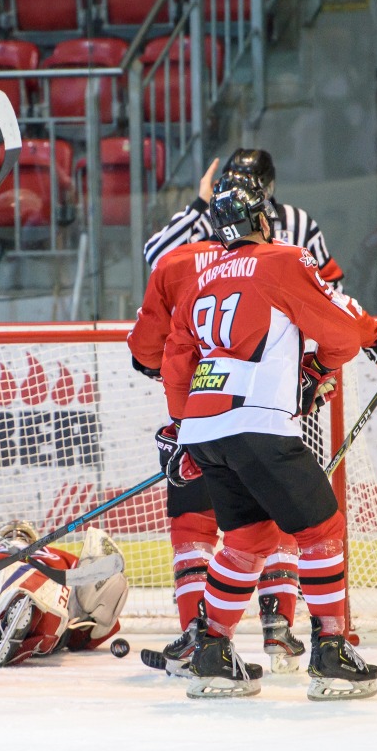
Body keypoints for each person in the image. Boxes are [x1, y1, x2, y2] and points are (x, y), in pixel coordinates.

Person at [160, 172, 377, 700]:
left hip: (206, 429)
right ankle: (331, 651)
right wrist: (352, 352)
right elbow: (338, 324)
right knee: (322, 529)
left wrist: (185, 428)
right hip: (258, 422)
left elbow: (175, 361)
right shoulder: (281, 259)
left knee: (248, 539)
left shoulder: (201, 278)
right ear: (261, 219)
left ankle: (212, 652)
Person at [128, 235, 308, 676]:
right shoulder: (279, 256)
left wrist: (159, 369)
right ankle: (278, 625)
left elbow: (146, 349)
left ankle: (198, 635)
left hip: (198, 418)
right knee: (273, 517)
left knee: (193, 525)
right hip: (262, 415)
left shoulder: (176, 262)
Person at [143, 149, 345, 290]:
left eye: (252, 191)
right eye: (237, 191)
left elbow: (331, 284)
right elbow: (156, 256)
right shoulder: (209, 221)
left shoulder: (298, 222)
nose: (245, 200)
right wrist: (200, 204)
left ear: (268, 189)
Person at [0, 521, 130, 667]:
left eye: (23, 534)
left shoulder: (55, 554)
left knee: (27, 577)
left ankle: (6, 627)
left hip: (48, 603)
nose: (16, 536)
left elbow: (86, 587)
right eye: (9, 534)